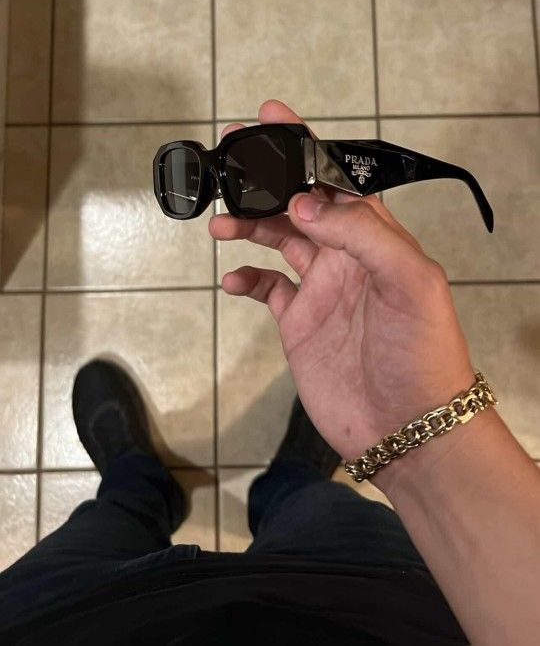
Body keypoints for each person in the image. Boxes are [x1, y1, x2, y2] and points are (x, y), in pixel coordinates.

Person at [1, 99, 538, 645]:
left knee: (108, 521)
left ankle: (136, 486)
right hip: (367, 605)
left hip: (59, 619)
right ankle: (294, 478)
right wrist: (426, 441)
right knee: (314, 506)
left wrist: (422, 441)